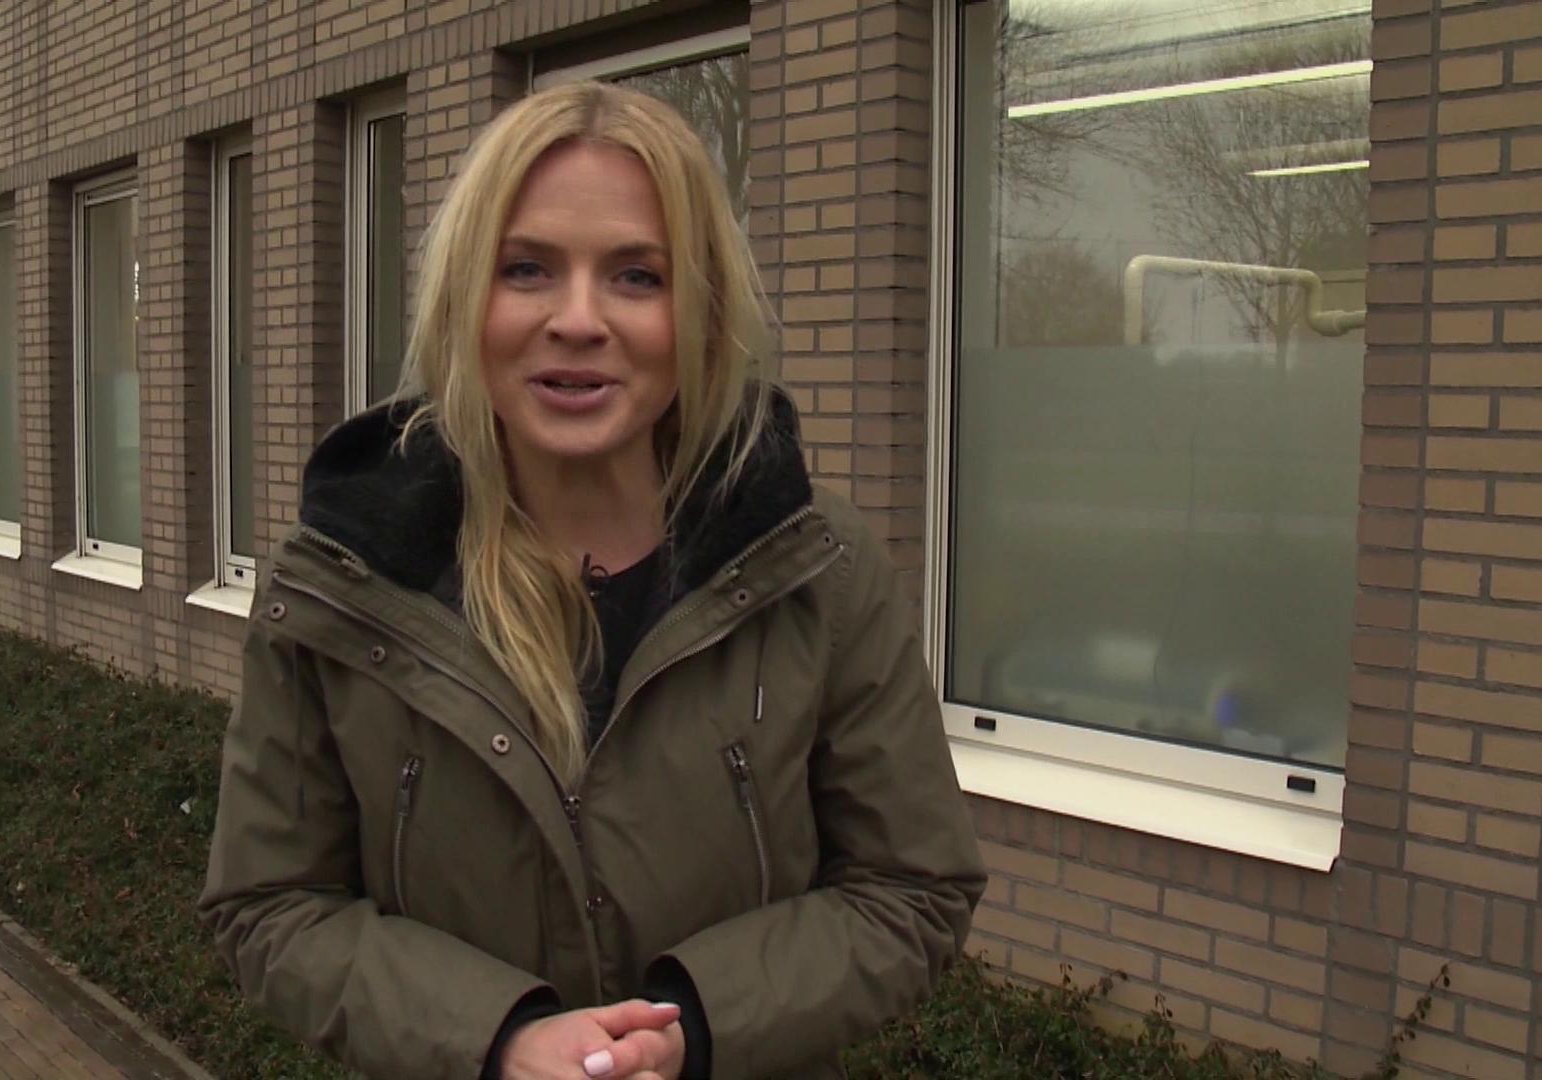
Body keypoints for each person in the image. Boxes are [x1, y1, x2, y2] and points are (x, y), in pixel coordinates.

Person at [198, 80, 985, 1080]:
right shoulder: (338, 584)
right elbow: (269, 905)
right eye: (526, 268)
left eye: (636, 276)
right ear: (464, 298)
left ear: (698, 311)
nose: (577, 320)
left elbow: (912, 889)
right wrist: (497, 1039)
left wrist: (692, 1026)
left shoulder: (818, 569)